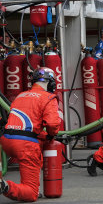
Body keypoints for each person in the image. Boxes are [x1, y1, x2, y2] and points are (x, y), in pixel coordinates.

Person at [0, 67, 61, 201]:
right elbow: (52, 125)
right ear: (51, 82)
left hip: (6, 141)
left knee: (27, 155)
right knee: (31, 193)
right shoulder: (49, 97)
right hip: (25, 145)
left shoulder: (20, 95)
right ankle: (5, 186)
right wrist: (52, 135)